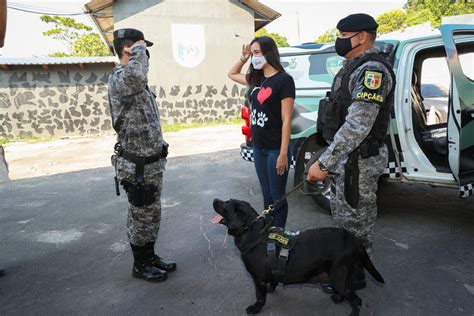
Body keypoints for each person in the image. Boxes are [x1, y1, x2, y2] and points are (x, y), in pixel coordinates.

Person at [307, 13, 395, 289]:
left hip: (358, 162)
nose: (339, 41)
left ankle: (354, 277)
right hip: (346, 160)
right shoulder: (352, 66)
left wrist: (324, 163)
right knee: (344, 219)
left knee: (355, 223)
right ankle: (345, 270)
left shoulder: (373, 71)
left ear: (360, 37)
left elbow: (358, 125)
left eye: (343, 37)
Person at [108, 28, 176, 282]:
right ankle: (140, 265)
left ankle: (150, 257)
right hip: (135, 166)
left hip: (151, 163)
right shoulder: (120, 79)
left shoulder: (138, 83)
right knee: (140, 216)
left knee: (152, 214)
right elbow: (135, 74)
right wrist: (136, 51)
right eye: (140, 46)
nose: (145, 52)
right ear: (128, 48)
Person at [228, 36, 295, 228]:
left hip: (276, 149)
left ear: (268, 53)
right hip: (259, 147)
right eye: (253, 53)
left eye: (256, 53)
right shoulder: (257, 79)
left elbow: (287, 119)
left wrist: (283, 154)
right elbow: (231, 73)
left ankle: (279, 234)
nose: (254, 57)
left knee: (277, 196)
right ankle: (269, 230)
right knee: (266, 194)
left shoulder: (284, 80)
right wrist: (243, 57)